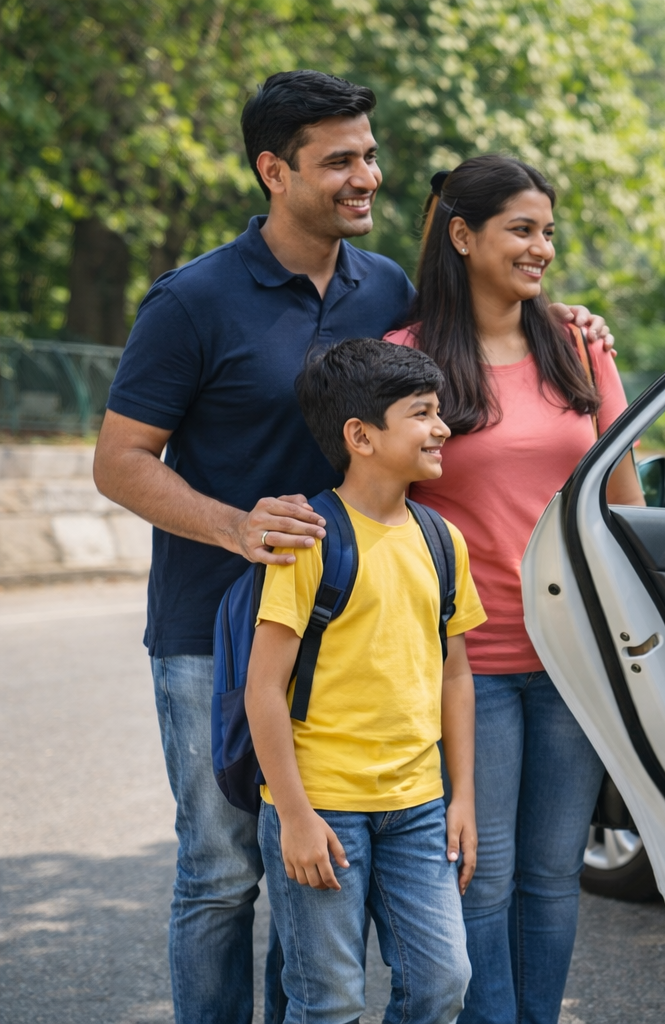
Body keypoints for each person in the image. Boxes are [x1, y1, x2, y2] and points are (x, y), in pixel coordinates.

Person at [93, 70, 614, 1023]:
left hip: (353, 635)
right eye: (340, 161)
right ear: (274, 171)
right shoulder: (193, 299)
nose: (366, 177)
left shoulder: (389, 292)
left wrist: (566, 321)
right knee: (223, 872)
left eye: (369, 155)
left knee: (318, 872)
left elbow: (480, 347)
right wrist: (236, 525)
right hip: (214, 626)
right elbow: (119, 461)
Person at [383, 154, 641, 1024]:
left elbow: (623, 500)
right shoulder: (407, 359)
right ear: (462, 236)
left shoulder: (579, 348)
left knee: (551, 875)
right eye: (521, 230)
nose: (542, 248)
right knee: (480, 875)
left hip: (572, 659)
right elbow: (380, 513)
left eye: (549, 232)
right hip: (465, 666)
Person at [247, 337, 486, 1024]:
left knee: (443, 982)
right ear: (361, 436)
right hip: (322, 808)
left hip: (418, 806)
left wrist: (463, 796)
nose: (442, 428)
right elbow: (263, 689)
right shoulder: (310, 539)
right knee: (329, 1000)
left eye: (438, 411)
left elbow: (456, 674)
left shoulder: (443, 540)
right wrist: (294, 816)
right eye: (422, 413)